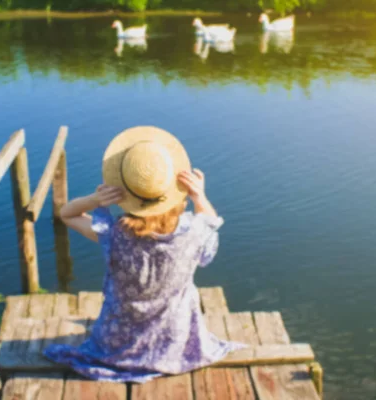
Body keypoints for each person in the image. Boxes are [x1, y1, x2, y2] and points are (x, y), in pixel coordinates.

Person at [44, 126, 244, 382]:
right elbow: (210, 223)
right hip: (174, 340)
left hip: (116, 343)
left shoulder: (113, 234)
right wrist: (199, 196)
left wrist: (95, 199)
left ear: (123, 192)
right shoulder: (193, 233)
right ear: (175, 191)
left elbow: (67, 214)